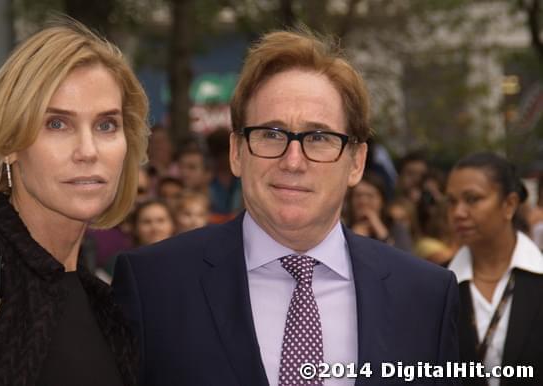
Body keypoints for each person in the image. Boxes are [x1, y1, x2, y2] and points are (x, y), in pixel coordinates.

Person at [112, 29, 459, 386]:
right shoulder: (154, 286)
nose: (293, 161)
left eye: (320, 137)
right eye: (272, 134)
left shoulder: (426, 297)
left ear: (356, 162)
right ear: (236, 152)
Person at [0, 20, 149, 386]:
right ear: (11, 143)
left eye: (106, 125)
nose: (88, 151)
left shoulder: (105, 302)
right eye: (57, 124)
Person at [446, 152, 543, 386]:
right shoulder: (435, 285)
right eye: (451, 201)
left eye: (472, 199)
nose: (458, 212)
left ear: (509, 204)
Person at [344, 171, 412, 251]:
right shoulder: (342, 228)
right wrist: (353, 238)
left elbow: (403, 260)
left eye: (370, 196)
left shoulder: (396, 228)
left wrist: (382, 233)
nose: (363, 201)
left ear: (382, 200)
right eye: (358, 196)